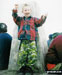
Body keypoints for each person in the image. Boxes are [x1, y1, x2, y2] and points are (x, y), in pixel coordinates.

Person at [12, 3, 47, 73]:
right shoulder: (20, 20)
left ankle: (29, 67)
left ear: (30, 11)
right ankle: (22, 68)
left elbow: (40, 22)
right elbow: (15, 17)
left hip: (32, 41)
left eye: (28, 10)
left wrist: (43, 17)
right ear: (23, 11)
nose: (27, 11)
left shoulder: (34, 19)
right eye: (25, 10)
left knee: (33, 55)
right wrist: (15, 9)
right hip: (23, 41)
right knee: (22, 55)